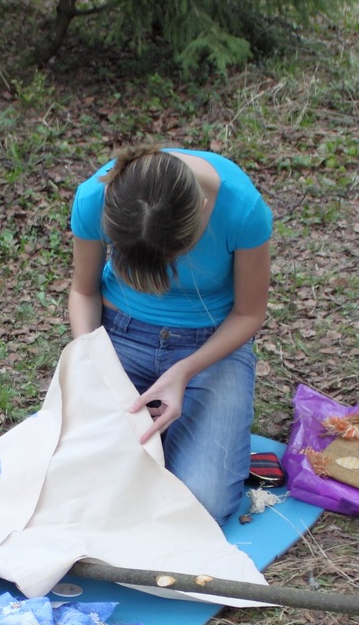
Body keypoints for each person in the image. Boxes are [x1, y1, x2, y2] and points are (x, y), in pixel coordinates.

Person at [68, 146, 272, 524]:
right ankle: (161, 434)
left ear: (201, 211)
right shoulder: (97, 196)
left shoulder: (241, 209)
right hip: (121, 335)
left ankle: (168, 433)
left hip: (211, 346)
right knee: (73, 479)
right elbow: (84, 291)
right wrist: (91, 361)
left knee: (203, 504)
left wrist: (184, 372)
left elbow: (249, 313)